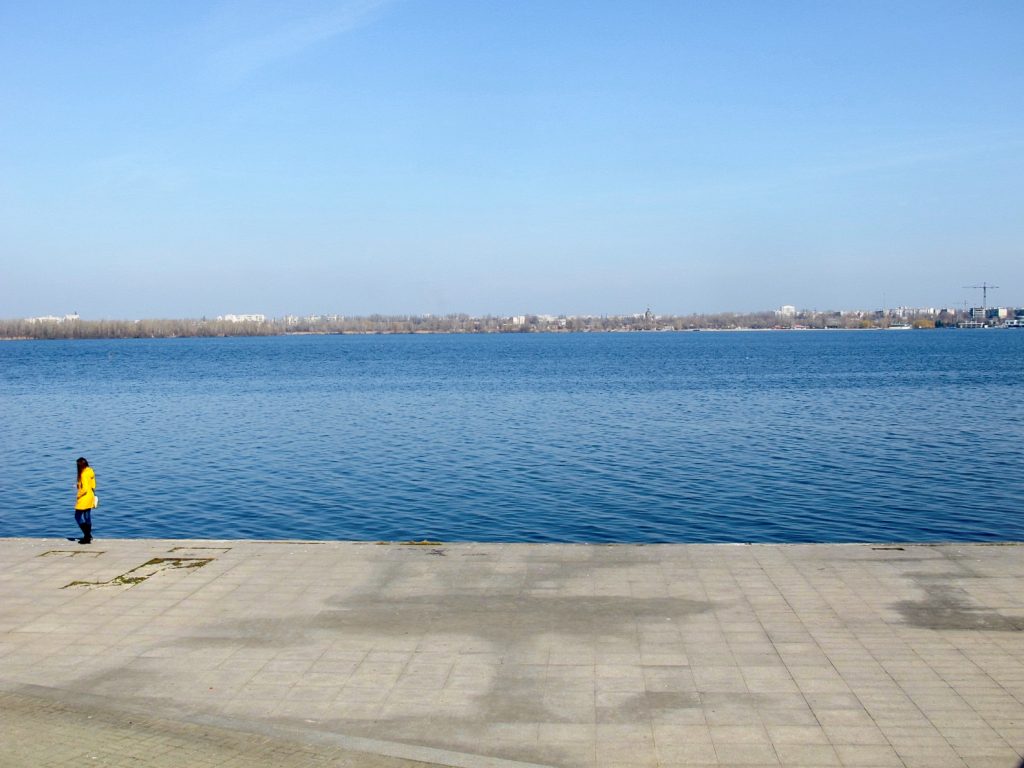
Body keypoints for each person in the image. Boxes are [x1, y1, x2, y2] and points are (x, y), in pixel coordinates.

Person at [75, 457, 96, 544]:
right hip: (90, 495)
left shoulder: (83, 474)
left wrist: (78, 495)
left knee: (77, 516)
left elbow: (84, 489)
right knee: (87, 517)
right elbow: (93, 485)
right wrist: (79, 485)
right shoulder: (90, 471)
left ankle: (87, 536)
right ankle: (88, 536)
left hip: (84, 497)